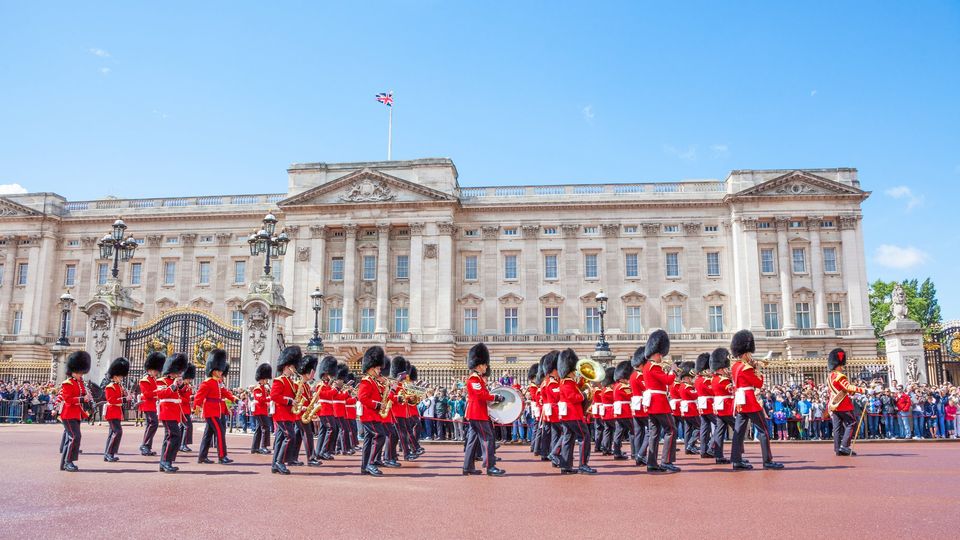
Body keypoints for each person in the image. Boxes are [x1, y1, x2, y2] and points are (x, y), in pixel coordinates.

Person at [729, 330, 783, 470]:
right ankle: (767, 461)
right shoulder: (746, 368)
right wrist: (757, 369)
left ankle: (736, 460)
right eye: (749, 354)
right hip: (750, 402)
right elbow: (758, 384)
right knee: (764, 430)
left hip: (740, 402)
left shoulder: (735, 366)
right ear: (746, 353)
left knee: (739, 432)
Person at [462, 343, 506, 476]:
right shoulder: (474, 379)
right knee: (488, 438)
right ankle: (490, 466)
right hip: (477, 414)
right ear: (479, 364)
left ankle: (468, 467)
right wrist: (496, 397)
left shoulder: (478, 379)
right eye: (485, 364)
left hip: (476, 413)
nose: (486, 367)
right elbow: (480, 395)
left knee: (472, 441)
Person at [641, 330, 680, 473]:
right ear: (656, 354)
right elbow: (668, 381)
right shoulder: (654, 366)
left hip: (653, 404)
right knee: (671, 430)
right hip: (659, 403)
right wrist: (673, 371)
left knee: (654, 433)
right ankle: (666, 461)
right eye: (661, 355)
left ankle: (652, 463)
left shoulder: (647, 367)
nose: (661, 357)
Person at [554, 348, 595, 474]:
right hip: (573, 415)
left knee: (568, 438)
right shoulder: (567, 383)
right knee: (584, 437)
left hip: (569, 415)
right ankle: (583, 464)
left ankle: (566, 466)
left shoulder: (569, 382)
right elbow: (573, 397)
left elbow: (576, 389)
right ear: (570, 370)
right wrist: (584, 394)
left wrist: (583, 383)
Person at [194, 348, 236, 465]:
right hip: (210, 411)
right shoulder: (207, 383)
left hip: (216, 411)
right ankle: (222, 456)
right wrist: (197, 406)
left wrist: (233, 398)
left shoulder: (217, 382)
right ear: (213, 370)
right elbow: (199, 395)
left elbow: (224, 392)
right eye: (219, 370)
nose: (221, 372)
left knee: (208, 434)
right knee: (220, 432)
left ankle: (202, 457)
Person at [826, 348, 866, 456]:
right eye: (842, 365)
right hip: (843, 405)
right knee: (852, 423)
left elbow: (841, 390)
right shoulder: (840, 376)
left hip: (834, 405)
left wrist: (852, 393)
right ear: (838, 365)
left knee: (837, 427)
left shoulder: (830, 376)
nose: (843, 367)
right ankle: (844, 446)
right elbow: (847, 386)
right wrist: (863, 390)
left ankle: (837, 448)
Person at [357, 346, 389, 476]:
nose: (379, 370)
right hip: (368, 416)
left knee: (369, 440)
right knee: (379, 436)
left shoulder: (374, 382)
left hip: (373, 416)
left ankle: (364, 467)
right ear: (371, 368)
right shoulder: (366, 381)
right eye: (378, 368)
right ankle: (371, 463)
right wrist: (377, 405)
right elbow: (362, 398)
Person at [270, 346, 302, 475]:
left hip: (288, 414)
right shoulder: (279, 381)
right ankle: (280, 462)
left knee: (280, 438)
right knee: (290, 437)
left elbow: (297, 393)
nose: (294, 370)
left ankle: (274, 464)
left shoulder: (291, 381)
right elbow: (274, 396)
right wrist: (289, 401)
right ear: (287, 366)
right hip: (281, 414)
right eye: (293, 367)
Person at [58, 351, 92, 472]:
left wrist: (86, 397)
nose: (80, 374)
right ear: (72, 371)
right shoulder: (67, 383)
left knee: (70, 438)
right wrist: (82, 398)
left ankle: (64, 463)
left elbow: (82, 395)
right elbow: (68, 399)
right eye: (79, 372)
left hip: (75, 414)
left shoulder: (79, 382)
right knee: (75, 437)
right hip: (68, 414)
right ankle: (68, 462)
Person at [157, 353, 188, 473]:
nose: (179, 374)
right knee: (174, 436)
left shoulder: (176, 382)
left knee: (170, 437)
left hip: (174, 412)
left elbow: (182, 396)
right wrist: (174, 386)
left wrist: (181, 386)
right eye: (177, 371)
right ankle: (166, 462)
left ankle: (164, 462)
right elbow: (160, 394)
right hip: (167, 412)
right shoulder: (162, 381)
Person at [291, 354, 321, 467]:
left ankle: (292, 458)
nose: (312, 374)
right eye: (310, 372)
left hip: (305, 413)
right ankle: (311, 458)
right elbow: (295, 399)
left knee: (298, 436)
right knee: (308, 434)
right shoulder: (297, 384)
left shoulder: (307, 386)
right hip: (300, 414)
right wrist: (302, 406)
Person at [102, 357, 130, 462]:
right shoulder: (110, 386)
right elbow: (112, 400)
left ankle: (108, 454)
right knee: (117, 432)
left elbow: (119, 398)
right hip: (112, 412)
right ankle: (109, 453)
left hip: (116, 412)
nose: (121, 378)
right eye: (120, 376)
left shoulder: (118, 386)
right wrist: (124, 399)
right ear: (114, 376)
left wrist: (125, 394)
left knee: (112, 433)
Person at [139, 351, 165, 456]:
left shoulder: (153, 379)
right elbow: (147, 394)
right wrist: (158, 392)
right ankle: (144, 445)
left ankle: (147, 446)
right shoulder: (145, 380)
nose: (156, 373)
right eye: (155, 370)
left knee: (152, 424)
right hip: (147, 404)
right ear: (149, 369)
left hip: (152, 405)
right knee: (153, 423)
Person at [313, 355, 340, 462]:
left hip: (329, 410)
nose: (330, 377)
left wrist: (337, 388)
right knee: (331, 429)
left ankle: (319, 451)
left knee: (323, 431)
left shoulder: (328, 385)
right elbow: (324, 395)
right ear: (324, 375)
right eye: (329, 375)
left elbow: (333, 396)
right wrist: (334, 389)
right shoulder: (320, 385)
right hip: (324, 410)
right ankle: (324, 451)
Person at [628, 346, 649, 466]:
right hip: (642, 405)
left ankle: (638, 455)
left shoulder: (633, 375)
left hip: (636, 406)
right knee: (650, 431)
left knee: (638, 432)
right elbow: (647, 387)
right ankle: (641, 454)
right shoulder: (639, 376)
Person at [611, 360, 634, 461]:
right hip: (625, 412)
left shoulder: (616, 386)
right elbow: (632, 394)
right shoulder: (623, 387)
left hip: (619, 412)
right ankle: (635, 452)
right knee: (634, 431)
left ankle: (617, 452)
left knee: (619, 432)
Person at [694, 352, 715, 458]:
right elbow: (713, 392)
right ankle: (711, 447)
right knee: (720, 425)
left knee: (704, 428)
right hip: (709, 405)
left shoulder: (697, 380)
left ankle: (703, 450)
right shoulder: (706, 380)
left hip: (702, 405)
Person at [678, 362, 700, 454]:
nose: (692, 379)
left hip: (686, 409)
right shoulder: (687, 387)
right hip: (691, 409)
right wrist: (698, 389)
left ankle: (688, 448)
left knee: (688, 429)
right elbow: (695, 395)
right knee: (700, 427)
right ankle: (690, 444)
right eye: (690, 378)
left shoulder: (682, 386)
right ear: (686, 378)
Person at [250, 363, 272, 454]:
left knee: (259, 429)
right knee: (265, 428)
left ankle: (254, 448)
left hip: (263, 411)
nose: (267, 380)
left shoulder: (264, 388)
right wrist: (270, 398)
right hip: (259, 411)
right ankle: (263, 446)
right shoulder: (257, 389)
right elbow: (260, 400)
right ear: (261, 379)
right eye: (266, 379)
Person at [179, 363, 196, 452]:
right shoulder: (181, 385)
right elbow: (179, 396)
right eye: (188, 379)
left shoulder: (188, 386)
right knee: (187, 426)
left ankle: (181, 444)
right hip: (182, 408)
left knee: (183, 427)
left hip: (186, 409)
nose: (189, 381)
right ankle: (182, 445)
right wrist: (188, 399)